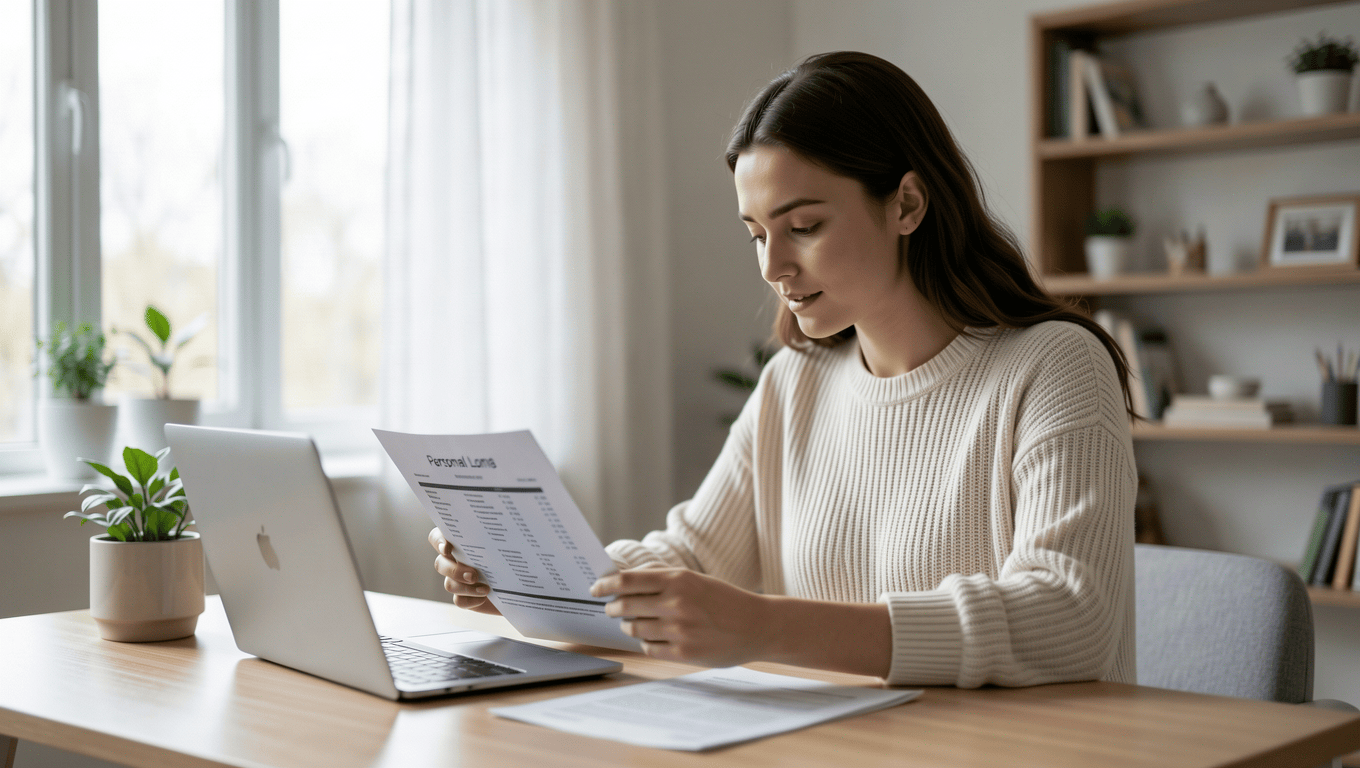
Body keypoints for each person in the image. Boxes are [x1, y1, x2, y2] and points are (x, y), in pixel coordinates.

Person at [430, 51, 1137, 688]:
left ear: (908, 204)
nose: (773, 267)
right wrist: (534, 581)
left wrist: (767, 626)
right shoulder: (793, 383)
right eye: (758, 235)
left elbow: (1070, 615)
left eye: (803, 227)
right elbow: (692, 560)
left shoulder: (1054, 367)